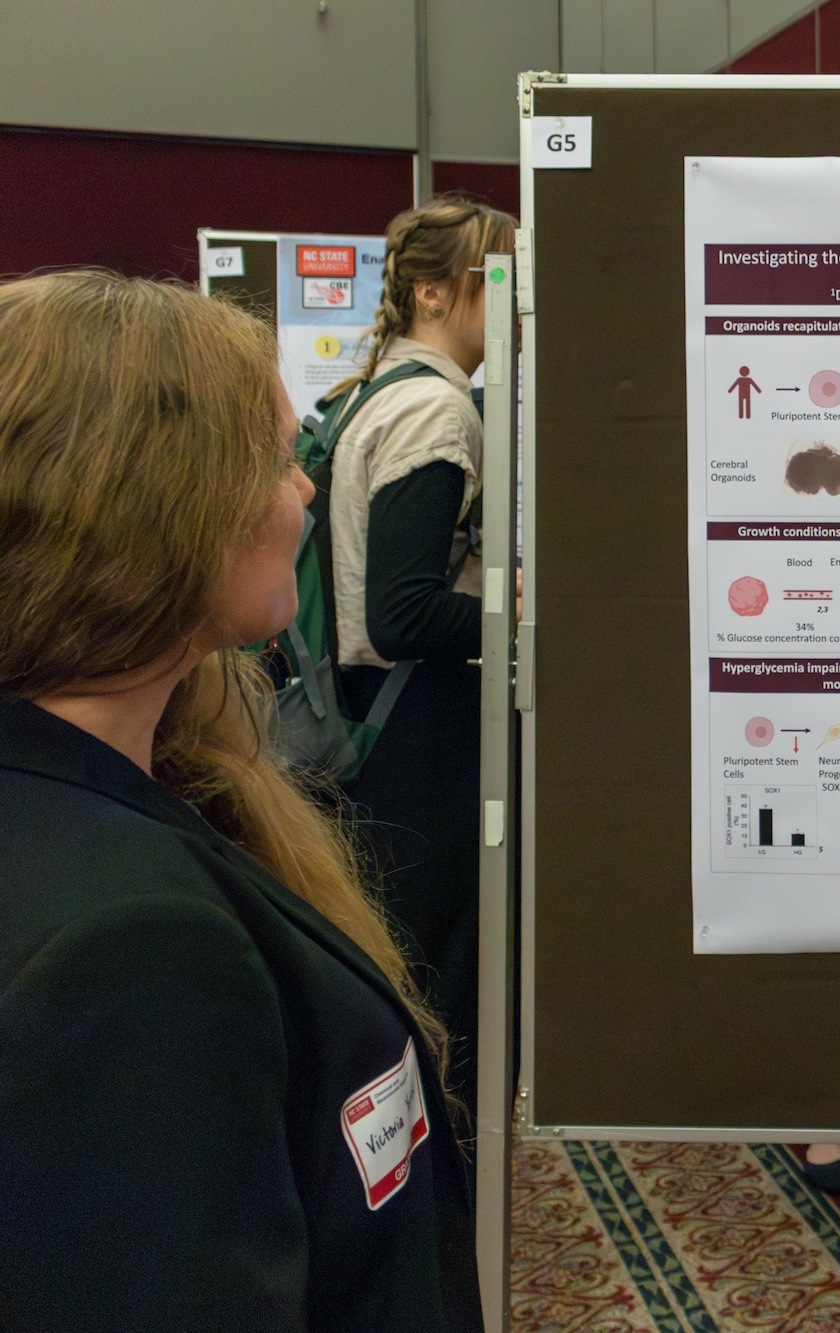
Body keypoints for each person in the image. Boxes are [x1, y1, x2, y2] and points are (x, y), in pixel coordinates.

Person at [0, 271, 480, 1329]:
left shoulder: (141, 779)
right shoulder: (133, 945)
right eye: (274, 460)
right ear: (149, 501)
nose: (303, 489)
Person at [330, 195, 515, 1115]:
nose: (517, 300)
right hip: (414, 728)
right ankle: (448, 1179)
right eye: (500, 277)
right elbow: (403, 613)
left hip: (378, 719)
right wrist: (522, 621)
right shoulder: (434, 413)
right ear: (436, 293)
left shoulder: (373, 393)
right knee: (439, 974)